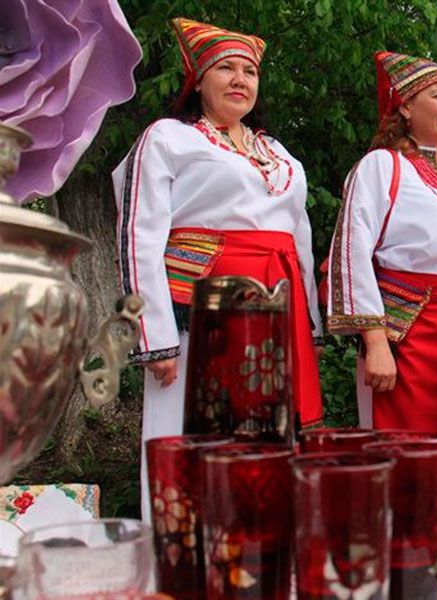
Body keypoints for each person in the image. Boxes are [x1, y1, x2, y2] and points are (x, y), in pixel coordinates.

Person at [113, 18, 323, 519]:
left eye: (249, 71)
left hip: (277, 309)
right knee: (188, 432)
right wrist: (154, 335)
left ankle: (255, 557)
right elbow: (139, 233)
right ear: (198, 80)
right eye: (225, 68)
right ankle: (181, 561)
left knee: (266, 435)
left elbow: (301, 242)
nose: (240, 79)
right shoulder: (170, 138)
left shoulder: (279, 155)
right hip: (201, 311)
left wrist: (308, 323)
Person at [326, 51, 437, 431]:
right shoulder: (381, 166)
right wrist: (375, 343)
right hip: (408, 336)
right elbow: (351, 253)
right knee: (407, 452)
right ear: (405, 106)